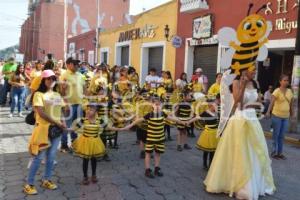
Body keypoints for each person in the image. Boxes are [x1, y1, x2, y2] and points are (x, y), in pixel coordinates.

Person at [204, 67, 275, 199]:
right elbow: (238, 103)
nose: (255, 72)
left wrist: (254, 105)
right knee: (239, 152)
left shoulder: (255, 83)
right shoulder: (236, 83)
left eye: (255, 70)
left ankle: (254, 183)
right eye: (252, 70)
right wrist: (242, 85)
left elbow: (259, 103)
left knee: (254, 151)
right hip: (239, 120)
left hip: (253, 119)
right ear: (244, 70)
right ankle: (239, 185)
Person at [23, 70, 66, 195]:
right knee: (38, 158)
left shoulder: (57, 95)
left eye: (53, 79)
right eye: (48, 79)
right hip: (43, 129)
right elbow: (41, 112)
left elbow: (61, 111)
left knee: (51, 157)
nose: (51, 81)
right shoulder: (38, 95)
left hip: (56, 131)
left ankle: (46, 180)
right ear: (43, 80)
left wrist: (63, 122)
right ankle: (29, 184)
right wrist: (57, 123)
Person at [126, 96, 186, 178]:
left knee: (158, 154)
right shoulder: (149, 115)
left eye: (159, 104)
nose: (157, 106)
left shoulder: (163, 114)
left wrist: (182, 122)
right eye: (155, 104)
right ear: (152, 105)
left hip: (160, 138)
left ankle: (157, 168)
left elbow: (172, 119)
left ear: (161, 105)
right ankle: (147, 170)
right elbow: (138, 120)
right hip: (151, 138)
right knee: (148, 154)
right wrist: (129, 126)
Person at [71, 103, 125, 185]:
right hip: (85, 143)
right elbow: (73, 128)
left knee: (94, 159)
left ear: (96, 112)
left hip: (95, 142)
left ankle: (94, 175)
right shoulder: (83, 120)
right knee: (85, 160)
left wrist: (122, 128)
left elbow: (109, 127)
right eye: (88, 109)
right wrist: (62, 127)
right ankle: (85, 176)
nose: (89, 111)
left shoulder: (100, 120)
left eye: (91, 110)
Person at [60, 57, 86, 152]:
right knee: (67, 125)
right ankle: (64, 145)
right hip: (69, 105)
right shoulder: (64, 75)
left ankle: (74, 143)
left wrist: (85, 100)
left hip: (79, 103)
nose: (77, 66)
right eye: (74, 64)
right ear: (69, 64)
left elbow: (84, 88)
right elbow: (62, 92)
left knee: (75, 124)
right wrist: (66, 104)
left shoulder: (80, 74)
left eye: (77, 64)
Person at [266, 75, 293, 160]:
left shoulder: (290, 91)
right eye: (284, 80)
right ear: (280, 81)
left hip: (285, 117)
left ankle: (280, 153)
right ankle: (274, 152)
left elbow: (290, 103)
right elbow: (271, 103)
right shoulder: (276, 91)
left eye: (287, 80)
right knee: (276, 135)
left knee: (282, 136)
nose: (286, 82)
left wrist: (291, 113)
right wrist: (268, 112)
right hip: (276, 116)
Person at [190, 98, 219, 171]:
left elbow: (218, 122)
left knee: (213, 150)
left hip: (214, 133)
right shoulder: (205, 113)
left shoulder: (216, 113)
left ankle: (210, 164)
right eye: (215, 105)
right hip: (208, 133)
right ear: (210, 105)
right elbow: (197, 118)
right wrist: (188, 121)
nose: (216, 107)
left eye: (217, 105)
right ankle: (204, 164)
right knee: (206, 150)